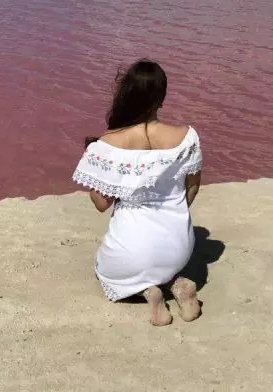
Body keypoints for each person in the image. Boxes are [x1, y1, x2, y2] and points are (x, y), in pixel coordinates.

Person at [72, 59, 203, 326]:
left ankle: (148, 292)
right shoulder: (187, 137)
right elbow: (192, 188)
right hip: (178, 246)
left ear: (127, 95)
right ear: (162, 98)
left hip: (132, 250)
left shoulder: (108, 144)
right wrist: (173, 213)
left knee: (106, 271)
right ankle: (176, 285)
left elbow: (101, 204)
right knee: (162, 263)